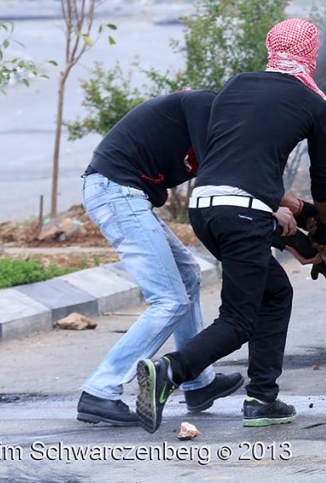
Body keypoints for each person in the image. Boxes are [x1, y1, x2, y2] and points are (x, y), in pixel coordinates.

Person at [135, 18, 326, 434]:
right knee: (238, 320)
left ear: (271, 47)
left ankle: (262, 397)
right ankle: (170, 372)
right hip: (244, 212)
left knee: (275, 292)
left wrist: (293, 234)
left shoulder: (236, 85)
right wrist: (324, 227)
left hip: (205, 208)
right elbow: (324, 182)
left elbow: (238, 166)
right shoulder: (314, 104)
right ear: (311, 54)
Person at [77, 90, 243, 426]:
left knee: (187, 275)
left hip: (125, 194)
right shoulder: (205, 105)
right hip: (116, 192)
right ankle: (100, 390)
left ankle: (197, 382)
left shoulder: (216, 123)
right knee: (168, 299)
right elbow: (218, 174)